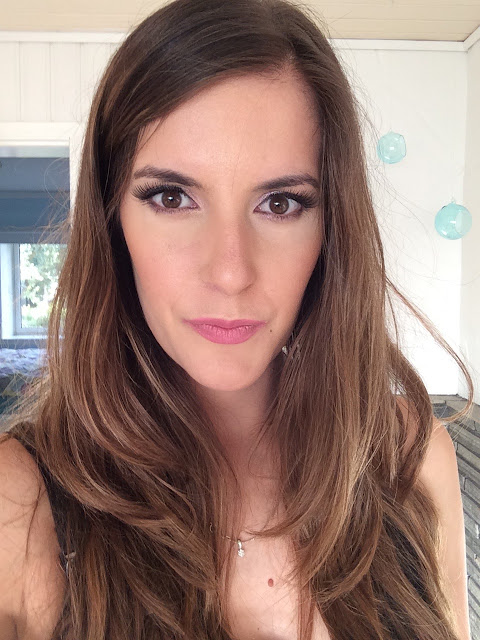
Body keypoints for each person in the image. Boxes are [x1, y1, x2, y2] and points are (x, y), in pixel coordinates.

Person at [0, 0, 474, 638]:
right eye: (172, 197)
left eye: (280, 204)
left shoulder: (411, 457)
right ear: (112, 222)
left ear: (330, 231)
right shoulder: (17, 505)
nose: (230, 272)